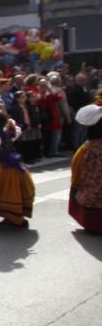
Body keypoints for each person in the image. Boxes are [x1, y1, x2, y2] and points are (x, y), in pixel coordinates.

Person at [70, 97, 102, 232]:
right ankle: (93, 224)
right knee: (93, 183)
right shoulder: (95, 111)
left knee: (93, 183)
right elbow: (82, 117)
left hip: (92, 148)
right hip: (95, 149)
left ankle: (93, 223)